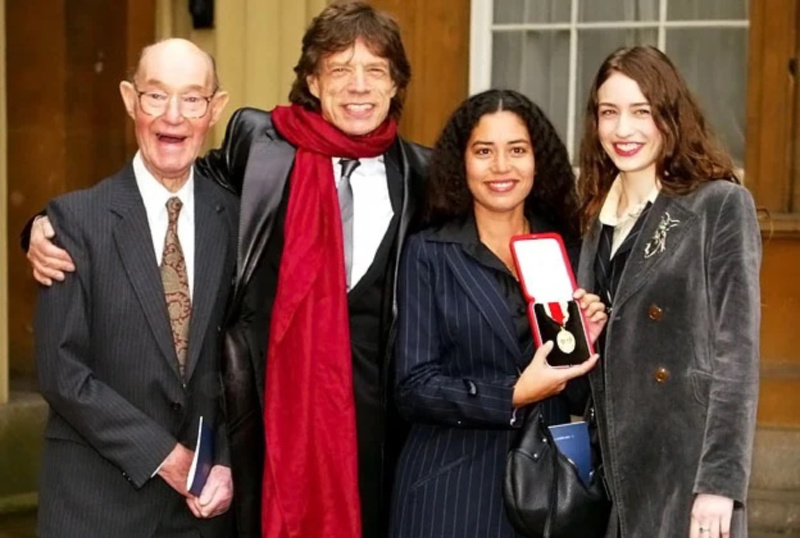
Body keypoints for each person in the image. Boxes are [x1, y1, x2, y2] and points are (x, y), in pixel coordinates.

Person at [25, 2, 428, 537]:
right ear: (312, 79)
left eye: (375, 70)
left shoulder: (423, 174)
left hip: (367, 443)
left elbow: (480, 236)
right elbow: (165, 183)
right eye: (339, 69)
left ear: (397, 84)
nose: (358, 86)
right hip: (258, 440)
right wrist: (39, 226)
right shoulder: (262, 150)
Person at [33, 39, 237, 538]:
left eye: (192, 99)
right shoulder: (74, 221)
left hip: (201, 512)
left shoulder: (235, 218)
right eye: (155, 96)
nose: (173, 117)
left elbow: (246, 358)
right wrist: (166, 458)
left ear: (214, 109)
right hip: (95, 506)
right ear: (129, 99)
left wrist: (228, 461)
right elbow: (62, 374)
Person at [389, 89, 606, 537]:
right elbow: (412, 387)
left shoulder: (570, 252)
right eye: (484, 151)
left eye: (517, 150)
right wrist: (513, 393)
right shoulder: (429, 252)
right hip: (448, 490)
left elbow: (584, 394)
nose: (502, 167)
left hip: (546, 491)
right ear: (461, 163)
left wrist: (590, 339)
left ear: (537, 161)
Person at [576, 45, 761, 538]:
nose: (623, 130)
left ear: (670, 116)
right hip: (615, 472)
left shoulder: (719, 205)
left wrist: (720, 484)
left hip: (687, 471)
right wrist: (587, 331)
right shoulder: (596, 219)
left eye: (642, 111)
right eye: (609, 112)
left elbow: (736, 359)